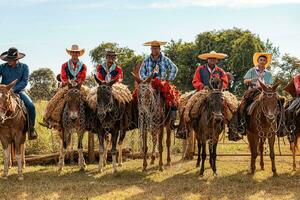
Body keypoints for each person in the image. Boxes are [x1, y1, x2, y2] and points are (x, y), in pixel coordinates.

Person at [42, 44, 87, 128]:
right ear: (70, 53)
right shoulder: (65, 65)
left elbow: (83, 76)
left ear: (79, 54)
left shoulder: (83, 66)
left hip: (79, 86)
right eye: (73, 52)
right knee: (55, 100)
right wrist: (68, 82)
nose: (74, 54)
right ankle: (49, 118)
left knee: (89, 100)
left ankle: (90, 121)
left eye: (76, 52)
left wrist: (77, 82)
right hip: (67, 85)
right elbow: (63, 76)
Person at [139, 40, 179, 129]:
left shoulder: (165, 59)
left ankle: (172, 121)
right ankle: (141, 119)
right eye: (153, 48)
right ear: (151, 49)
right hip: (149, 84)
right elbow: (141, 72)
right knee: (140, 97)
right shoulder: (146, 60)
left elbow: (174, 68)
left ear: (160, 49)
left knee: (173, 99)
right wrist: (147, 79)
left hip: (162, 83)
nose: (154, 50)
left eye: (156, 48)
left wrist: (169, 79)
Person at [0, 47, 37, 140]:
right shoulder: (2, 67)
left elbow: (24, 82)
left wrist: (13, 90)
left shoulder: (24, 67)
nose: (9, 61)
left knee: (31, 106)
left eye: (12, 60)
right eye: (8, 59)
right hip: (3, 92)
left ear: (17, 59)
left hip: (19, 91)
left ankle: (31, 129)